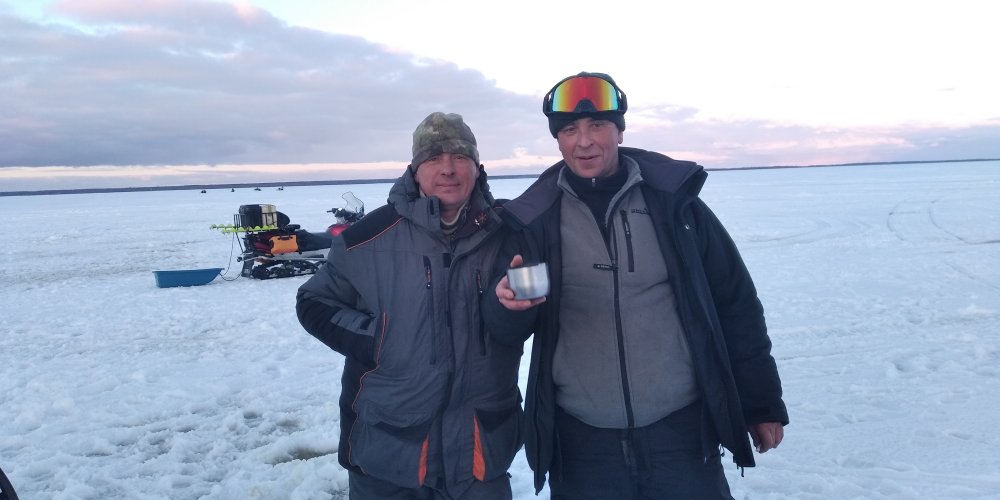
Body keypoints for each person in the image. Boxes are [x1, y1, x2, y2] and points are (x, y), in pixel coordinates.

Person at [482, 72, 789, 499]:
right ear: (558, 141)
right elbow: (507, 327)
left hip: (682, 434)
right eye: (569, 130)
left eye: (597, 125)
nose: (584, 141)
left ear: (620, 131)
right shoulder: (536, 219)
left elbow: (735, 303)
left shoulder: (676, 206)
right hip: (582, 444)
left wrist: (760, 403)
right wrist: (508, 307)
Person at [297, 112, 523, 500]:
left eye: (460, 157)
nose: (448, 169)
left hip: (479, 449)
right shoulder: (365, 240)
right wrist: (377, 340)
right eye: (434, 158)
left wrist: (518, 310)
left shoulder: (509, 234)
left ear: (477, 167)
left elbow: (535, 309)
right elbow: (313, 301)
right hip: (389, 449)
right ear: (415, 170)